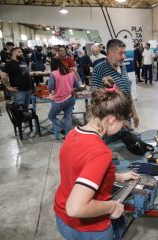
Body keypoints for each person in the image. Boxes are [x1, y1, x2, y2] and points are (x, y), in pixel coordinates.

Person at [53, 85, 140, 240]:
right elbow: (75, 208)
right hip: (89, 228)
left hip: (62, 220)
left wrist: (117, 177)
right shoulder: (101, 153)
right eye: (123, 123)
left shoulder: (73, 134)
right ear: (112, 120)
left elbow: (80, 170)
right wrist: (113, 206)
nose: (123, 127)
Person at [91, 39, 140, 133]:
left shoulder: (123, 67)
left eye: (124, 53)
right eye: (120, 53)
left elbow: (127, 93)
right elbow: (96, 100)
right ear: (110, 53)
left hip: (126, 119)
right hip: (110, 124)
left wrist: (134, 113)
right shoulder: (99, 69)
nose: (124, 56)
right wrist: (118, 119)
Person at [47, 58, 79, 137]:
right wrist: (70, 88)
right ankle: (68, 135)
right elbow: (77, 85)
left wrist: (51, 89)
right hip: (71, 98)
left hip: (59, 100)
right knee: (68, 117)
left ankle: (66, 129)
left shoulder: (54, 73)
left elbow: (50, 87)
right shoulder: (70, 73)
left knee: (51, 116)